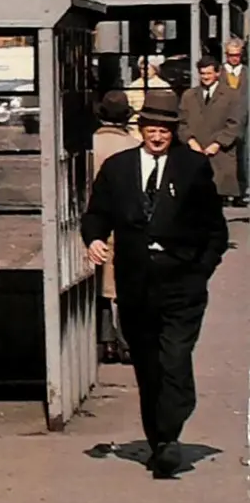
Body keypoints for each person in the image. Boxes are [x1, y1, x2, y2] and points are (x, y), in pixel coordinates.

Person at [81, 88, 229, 478]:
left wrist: (200, 270)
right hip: (135, 284)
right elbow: (97, 214)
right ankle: (160, 439)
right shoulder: (117, 167)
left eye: (164, 129)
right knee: (147, 364)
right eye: (151, 128)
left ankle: (169, 435)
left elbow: (215, 229)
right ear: (140, 128)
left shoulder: (192, 167)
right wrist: (94, 239)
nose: (158, 135)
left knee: (175, 359)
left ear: (173, 131)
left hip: (182, 283)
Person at [91, 89, 140, 363]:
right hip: (123, 222)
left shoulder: (89, 144)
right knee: (123, 286)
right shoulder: (132, 147)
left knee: (98, 285)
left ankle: (105, 341)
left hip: (93, 221)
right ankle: (126, 342)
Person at [179, 55, 243, 205]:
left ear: (217, 73)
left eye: (208, 73)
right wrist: (190, 141)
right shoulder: (189, 95)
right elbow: (182, 122)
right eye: (202, 73)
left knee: (217, 199)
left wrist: (217, 144)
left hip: (220, 154)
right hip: (194, 152)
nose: (205, 77)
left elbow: (235, 123)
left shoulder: (231, 95)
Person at [223, 39, 247, 204]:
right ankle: (225, 192)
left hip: (246, 121)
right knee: (225, 156)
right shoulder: (219, 73)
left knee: (244, 156)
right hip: (224, 118)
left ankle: (241, 191)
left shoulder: (247, 73)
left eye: (237, 55)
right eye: (231, 55)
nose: (234, 59)